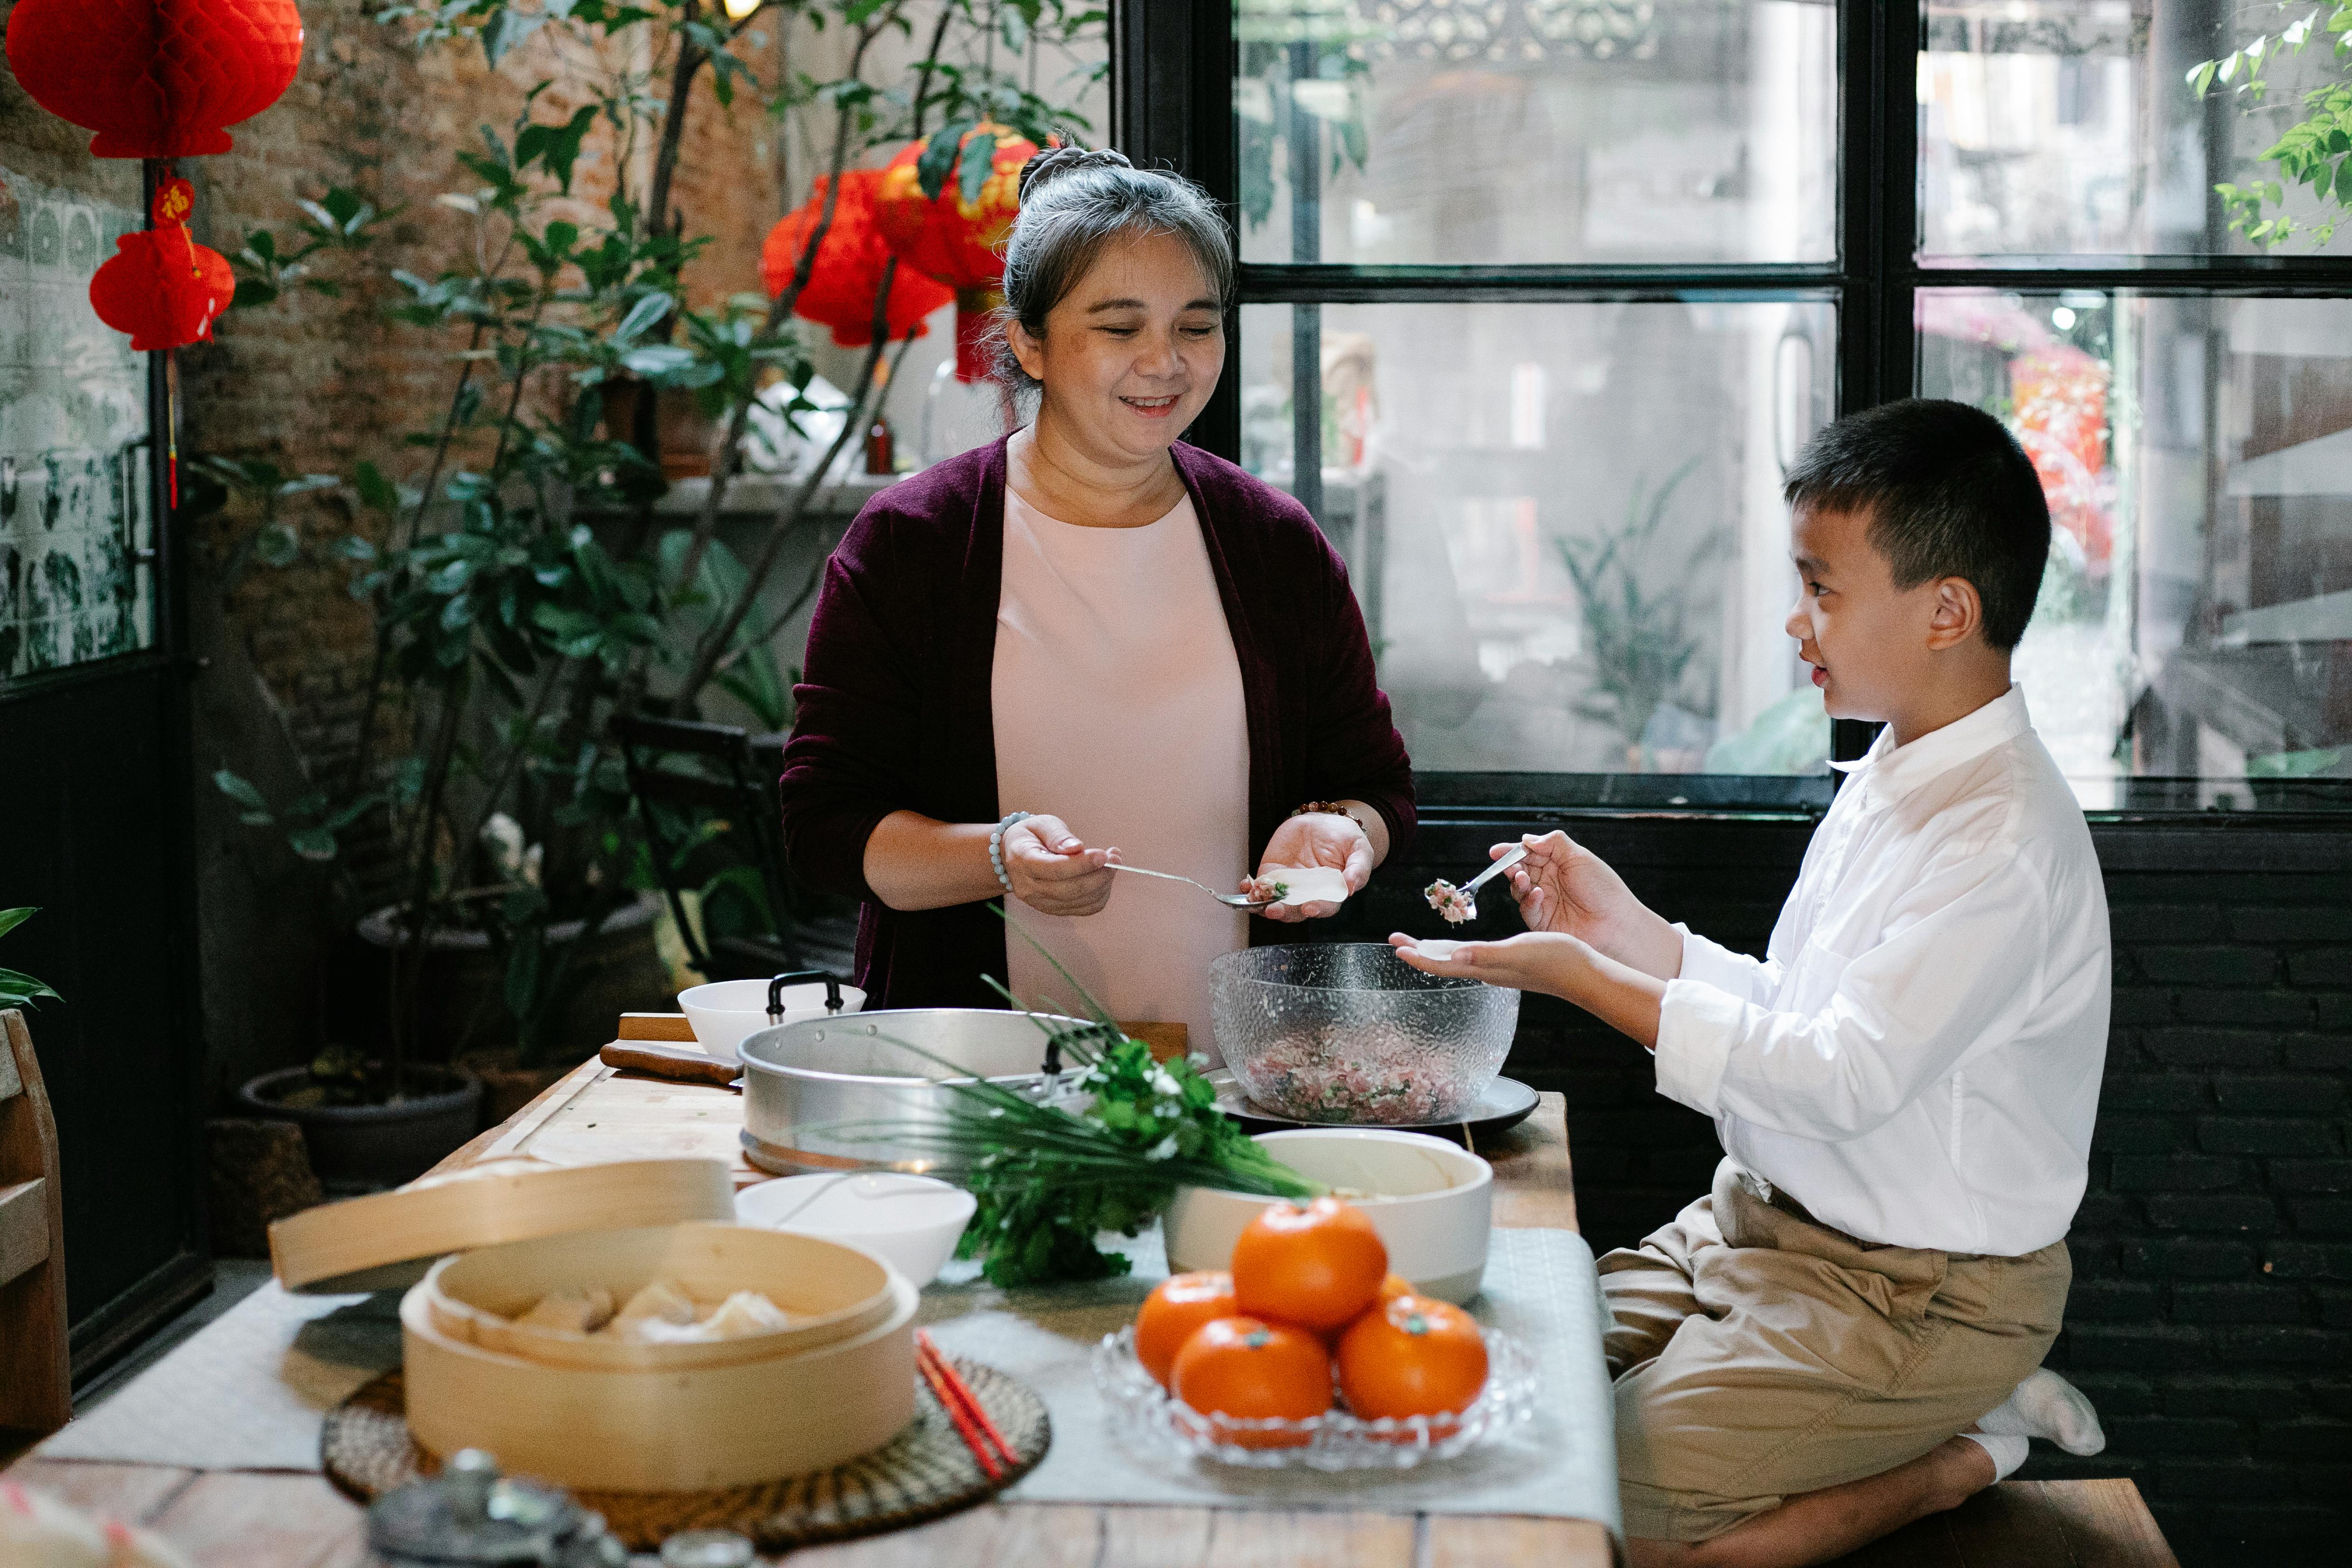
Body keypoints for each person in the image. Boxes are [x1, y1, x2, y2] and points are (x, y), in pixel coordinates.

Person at [1393, 399, 2110, 1567]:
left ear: (1947, 611)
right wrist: (1630, 936)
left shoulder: (2005, 841)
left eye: (1823, 589)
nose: (1797, 621)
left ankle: (1957, 1452)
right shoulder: (1894, 767)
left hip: (1919, 1297)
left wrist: (1584, 981)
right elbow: (1804, 1011)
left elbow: (1837, 1080)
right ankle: (1917, 1426)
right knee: (1496, 1394)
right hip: (1755, 1228)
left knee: (1594, 1517)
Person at [780, 146, 1413, 1050]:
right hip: (972, 1076)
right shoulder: (914, 543)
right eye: (1120, 328)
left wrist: (1337, 831)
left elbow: (1374, 784)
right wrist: (997, 858)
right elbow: (826, 827)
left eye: (1197, 326)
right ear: (1029, 340)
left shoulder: (1273, 545)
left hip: (1237, 1074)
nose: (1166, 362)